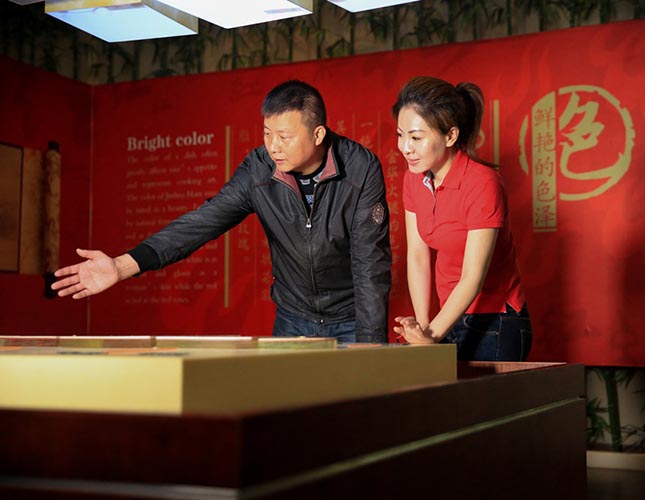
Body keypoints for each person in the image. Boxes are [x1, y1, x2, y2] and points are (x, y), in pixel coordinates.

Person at [52, 80, 392, 343]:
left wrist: (370, 345)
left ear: (317, 134)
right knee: (289, 410)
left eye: (284, 137)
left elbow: (369, 264)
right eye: (267, 134)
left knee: (356, 408)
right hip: (293, 318)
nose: (273, 146)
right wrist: (122, 265)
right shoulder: (259, 170)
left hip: (352, 319)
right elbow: (203, 222)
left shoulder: (360, 169)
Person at [391, 76, 531, 361]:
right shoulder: (414, 179)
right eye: (400, 135)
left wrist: (430, 336)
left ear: (451, 136)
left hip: (495, 320)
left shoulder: (483, 183)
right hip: (448, 317)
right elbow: (417, 255)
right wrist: (421, 328)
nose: (405, 147)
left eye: (416, 137)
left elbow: (472, 278)